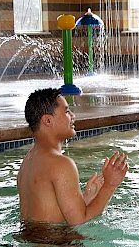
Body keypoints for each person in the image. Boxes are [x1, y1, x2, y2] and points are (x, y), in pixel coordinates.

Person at [17, 88, 128, 226]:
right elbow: (80, 221)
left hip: (31, 242)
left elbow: (48, 214)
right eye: (67, 111)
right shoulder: (60, 164)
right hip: (57, 245)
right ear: (47, 120)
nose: (73, 116)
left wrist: (86, 199)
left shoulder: (29, 160)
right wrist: (110, 185)